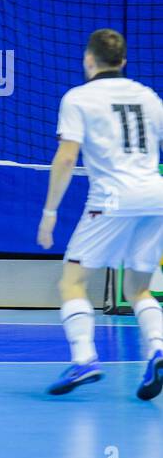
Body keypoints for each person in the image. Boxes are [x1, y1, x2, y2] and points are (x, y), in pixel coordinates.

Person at [38, 29, 163, 399]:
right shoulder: (149, 97)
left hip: (110, 200)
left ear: (88, 60)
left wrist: (49, 212)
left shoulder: (78, 98)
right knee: (139, 288)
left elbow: (65, 156)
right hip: (155, 197)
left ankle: (85, 358)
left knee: (72, 281)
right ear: (123, 61)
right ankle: (158, 349)